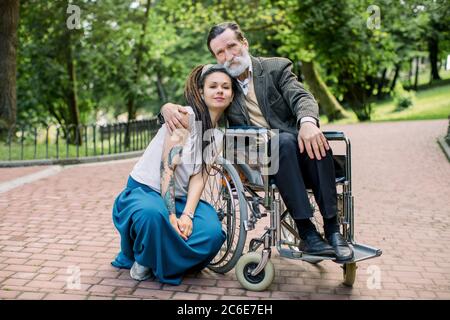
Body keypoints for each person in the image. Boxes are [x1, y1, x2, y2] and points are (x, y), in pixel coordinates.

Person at [160, 22, 353, 262]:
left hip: (298, 154)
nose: (229, 56)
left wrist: (308, 122)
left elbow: (301, 96)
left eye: (232, 46)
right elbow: (197, 100)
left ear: (244, 43)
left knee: (316, 140)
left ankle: (334, 231)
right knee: (281, 142)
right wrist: (166, 107)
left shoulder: (276, 68)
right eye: (220, 52)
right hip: (258, 163)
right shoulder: (224, 85)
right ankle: (307, 232)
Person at [111, 64, 239, 285]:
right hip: (146, 191)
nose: (220, 91)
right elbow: (167, 168)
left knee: (212, 232)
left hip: (179, 198)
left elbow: (199, 177)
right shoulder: (184, 118)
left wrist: (187, 216)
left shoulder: (216, 136)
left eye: (225, 87)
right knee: (154, 216)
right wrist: (171, 216)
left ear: (232, 95)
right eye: (213, 86)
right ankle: (144, 258)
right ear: (201, 92)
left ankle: (157, 256)